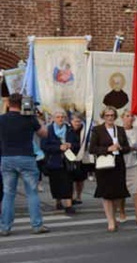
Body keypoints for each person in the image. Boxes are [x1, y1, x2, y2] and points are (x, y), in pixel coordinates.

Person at [0, 93, 49, 235]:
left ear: (9, 104)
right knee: (32, 193)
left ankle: (5, 227)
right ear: (23, 104)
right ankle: (36, 225)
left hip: (7, 158)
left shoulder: (1, 119)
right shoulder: (29, 119)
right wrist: (37, 118)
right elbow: (44, 134)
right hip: (26, 157)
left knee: (8, 193)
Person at [89, 106, 130, 232]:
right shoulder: (97, 130)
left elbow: (127, 148)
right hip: (104, 165)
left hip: (118, 164)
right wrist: (107, 149)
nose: (110, 118)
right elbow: (92, 149)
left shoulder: (120, 130)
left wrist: (120, 148)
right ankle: (110, 220)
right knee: (106, 194)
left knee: (118, 194)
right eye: (107, 115)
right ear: (103, 117)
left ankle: (115, 214)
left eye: (112, 115)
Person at [41, 109, 79, 215]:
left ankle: (69, 206)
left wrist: (70, 145)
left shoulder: (70, 129)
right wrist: (59, 147)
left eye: (62, 117)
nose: (60, 119)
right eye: (58, 117)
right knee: (56, 183)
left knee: (68, 183)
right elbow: (44, 146)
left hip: (68, 161)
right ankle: (58, 202)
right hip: (54, 161)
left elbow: (77, 144)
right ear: (53, 118)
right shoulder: (48, 130)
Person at [119, 110, 137, 226]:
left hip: (136, 162)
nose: (130, 118)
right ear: (122, 118)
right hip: (121, 163)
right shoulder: (118, 131)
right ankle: (122, 212)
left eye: (131, 116)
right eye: (127, 116)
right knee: (121, 190)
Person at [69, 112, 88, 204]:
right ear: (71, 121)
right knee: (71, 179)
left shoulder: (84, 130)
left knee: (80, 179)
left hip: (81, 156)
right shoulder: (68, 130)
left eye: (79, 121)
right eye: (75, 121)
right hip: (70, 156)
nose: (77, 123)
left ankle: (79, 196)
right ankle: (71, 196)